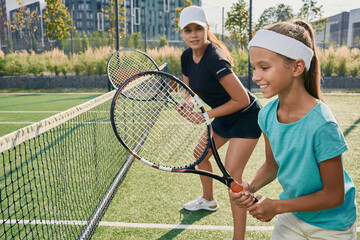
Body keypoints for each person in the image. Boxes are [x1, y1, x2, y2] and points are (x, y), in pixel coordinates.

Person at [229, 20, 357, 239]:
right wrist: (250, 186)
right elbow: (273, 164)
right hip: (293, 217)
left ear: (297, 67)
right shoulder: (267, 115)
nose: (256, 76)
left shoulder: (322, 124)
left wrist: (277, 206)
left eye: (264, 67)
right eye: (254, 68)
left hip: (332, 226)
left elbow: (334, 195)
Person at [178, 6, 262, 239]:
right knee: (200, 154)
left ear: (207, 29)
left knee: (233, 174)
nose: (193, 34)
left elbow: (242, 99)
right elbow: (189, 89)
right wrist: (188, 103)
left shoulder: (215, 58)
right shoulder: (186, 56)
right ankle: (208, 200)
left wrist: (206, 115)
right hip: (224, 117)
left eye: (198, 28)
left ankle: (239, 237)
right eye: (188, 30)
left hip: (246, 116)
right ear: (181, 33)